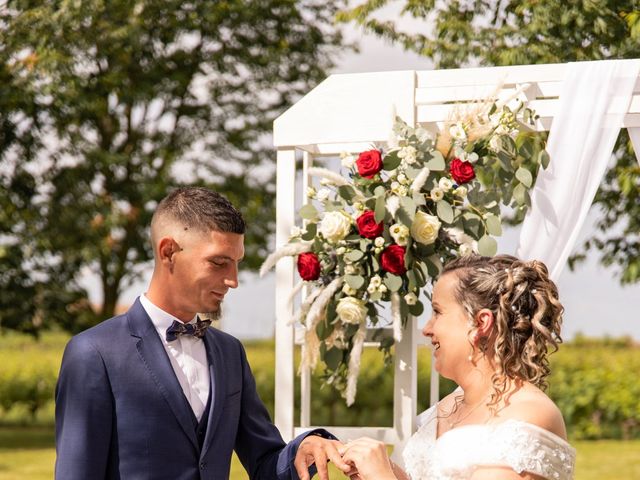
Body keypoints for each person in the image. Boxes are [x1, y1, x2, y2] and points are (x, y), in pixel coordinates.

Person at [55, 187, 350, 480]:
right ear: (168, 251)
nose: (233, 280)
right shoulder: (93, 353)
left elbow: (264, 463)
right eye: (219, 263)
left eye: (237, 264)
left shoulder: (230, 352)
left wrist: (303, 448)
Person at [339, 254, 576, 480]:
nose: (427, 329)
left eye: (437, 312)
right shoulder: (448, 405)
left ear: (481, 323)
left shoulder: (529, 414)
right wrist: (370, 463)